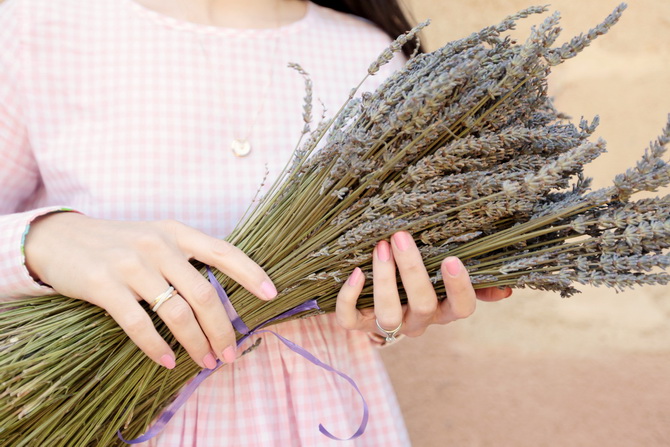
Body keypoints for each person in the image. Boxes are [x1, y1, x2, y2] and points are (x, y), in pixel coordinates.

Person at [0, 0, 510, 445]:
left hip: (319, 420)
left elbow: (384, 281)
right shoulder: (40, 26)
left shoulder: (370, 53)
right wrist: (43, 240)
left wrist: (386, 313)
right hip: (100, 410)